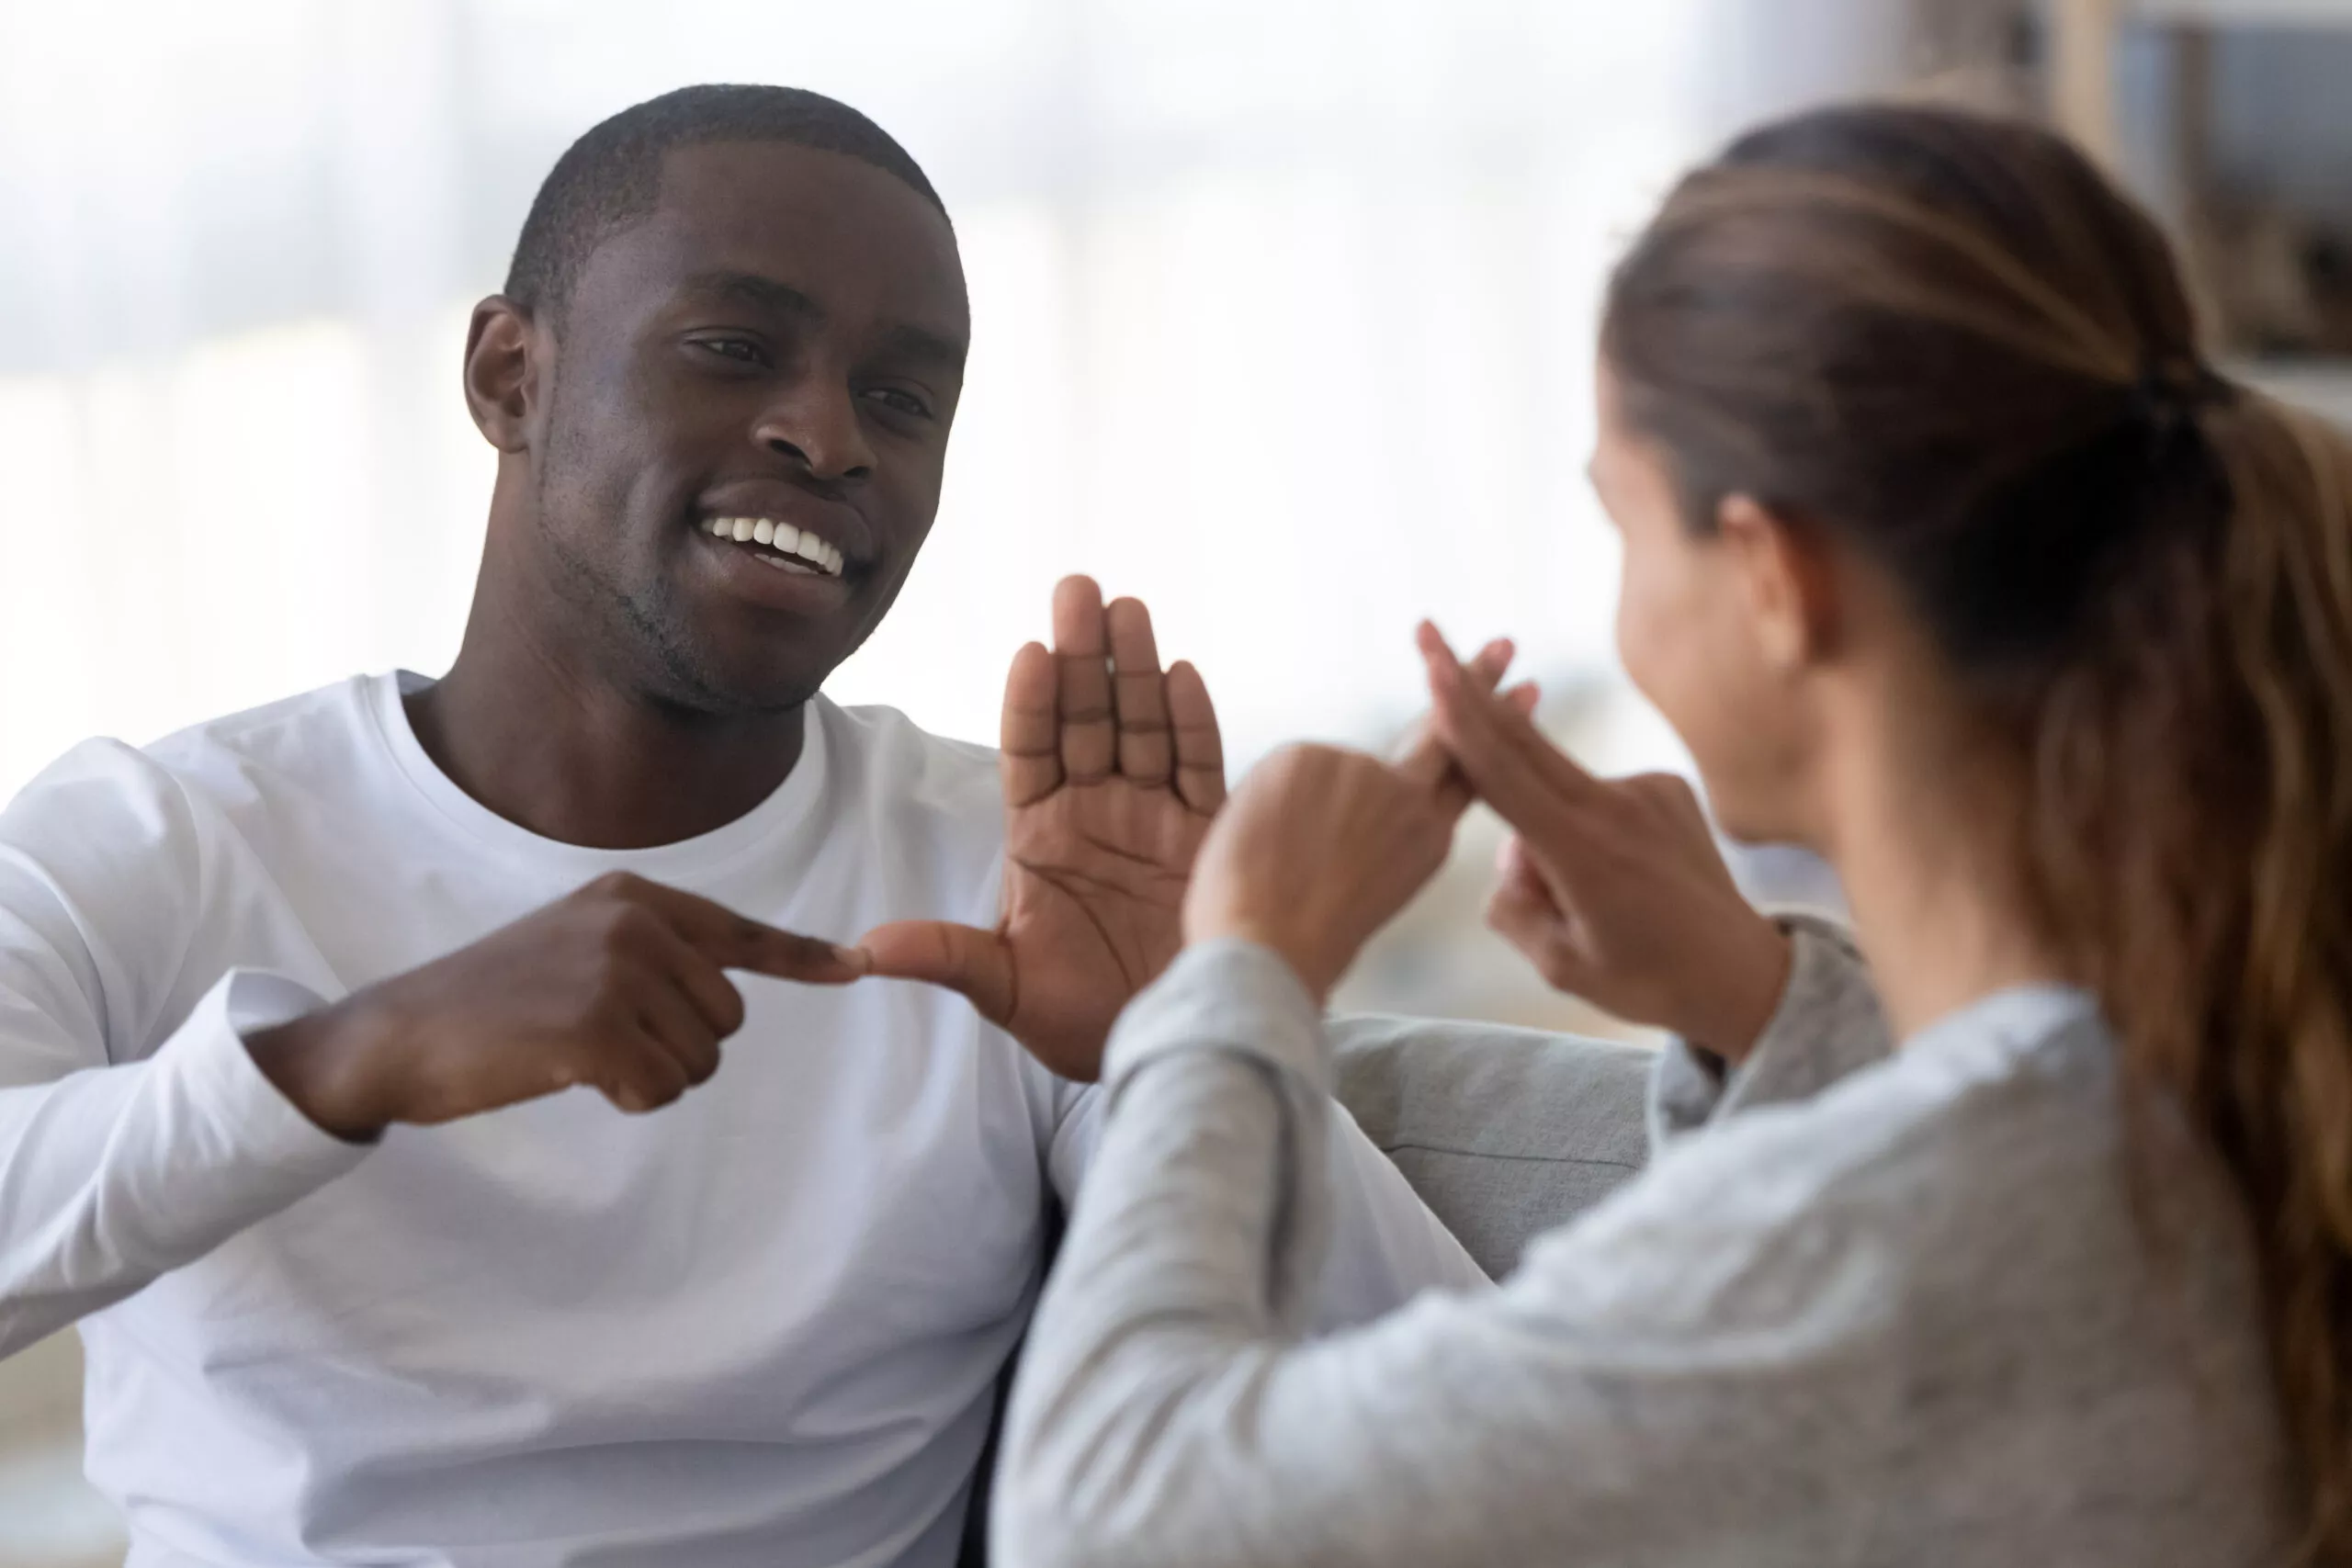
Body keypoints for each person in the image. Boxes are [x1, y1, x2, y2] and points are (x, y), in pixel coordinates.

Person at [0, 85, 1500, 1567]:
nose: (829, 436)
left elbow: (1474, 1429)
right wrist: (348, 1058)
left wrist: (1194, 1026)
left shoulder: (1015, 875)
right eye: (734, 349)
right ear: (509, 376)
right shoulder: (160, 841)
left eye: (902, 398)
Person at [980, 103, 2351, 1566]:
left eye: (1623, 523)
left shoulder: (1917, 1231)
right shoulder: (2226, 1056)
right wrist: (1760, 1002)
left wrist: (1237, 976)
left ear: (1770, 574)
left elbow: (1100, 1527)